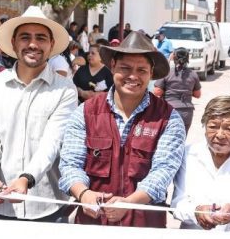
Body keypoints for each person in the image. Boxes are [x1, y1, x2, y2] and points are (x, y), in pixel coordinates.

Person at [59, 30, 186, 227]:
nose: (133, 76)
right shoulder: (85, 112)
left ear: (151, 73)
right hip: (92, 224)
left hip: (144, 228)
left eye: (142, 70)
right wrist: (84, 194)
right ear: (112, 67)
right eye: (125, 68)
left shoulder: (169, 119)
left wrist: (130, 203)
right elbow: (70, 163)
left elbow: (164, 171)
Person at [0, 7, 78, 222]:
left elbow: (52, 143)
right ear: (13, 43)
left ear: (51, 45)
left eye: (41, 38)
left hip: (48, 206)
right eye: (25, 37)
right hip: (2, 205)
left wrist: (26, 179)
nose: (33, 44)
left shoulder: (65, 89)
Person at [172, 96, 230, 232]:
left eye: (229, 129)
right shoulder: (188, 155)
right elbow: (178, 202)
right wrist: (196, 212)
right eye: (213, 127)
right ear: (204, 126)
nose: (219, 135)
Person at [153, 48, 202, 131]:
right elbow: (197, 95)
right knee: (181, 139)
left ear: (174, 58)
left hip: (169, 110)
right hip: (186, 112)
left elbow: (157, 92)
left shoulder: (167, 73)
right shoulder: (193, 74)